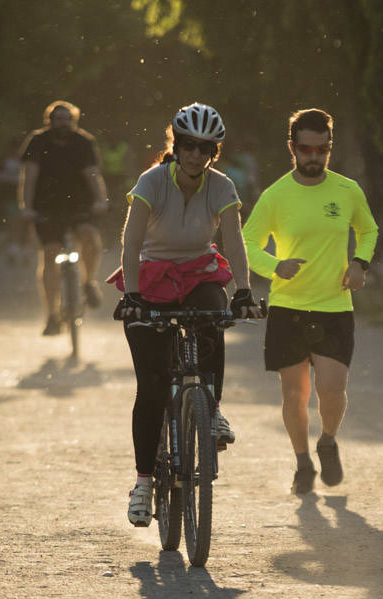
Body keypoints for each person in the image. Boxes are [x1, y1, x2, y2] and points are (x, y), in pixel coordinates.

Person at [109, 102, 262, 527]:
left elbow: (233, 240)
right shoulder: (152, 181)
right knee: (152, 387)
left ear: (215, 152)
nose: (196, 154)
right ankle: (143, 483)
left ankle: (210, 410)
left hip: (198, 273)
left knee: (216, 316)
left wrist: (244, 291)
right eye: (189, 145)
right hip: (152, 279)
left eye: (206, 148)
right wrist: (134, 295)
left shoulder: (221, 186)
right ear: (175, 145)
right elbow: (130, 242)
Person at [242, 108, 379, 494]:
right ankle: (303, 462)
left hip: (335, 304)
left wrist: (359, 262)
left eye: (322, 149)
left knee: (332, 390)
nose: (314, 157)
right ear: (292, 148)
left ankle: (328, 440)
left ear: (329, 148)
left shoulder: (347, 190)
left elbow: (368, 229)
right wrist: (274, 266)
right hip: (288, 307)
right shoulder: (275, 195)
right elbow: (248, 242)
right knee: (294, 393)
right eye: (306, 148)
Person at [19, 100, 110, 335]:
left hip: (79, 204)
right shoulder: (37, 141)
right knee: (50, 255)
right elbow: (29, 176)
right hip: (46, 207)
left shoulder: (84, 142)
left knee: (90, 237)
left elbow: (92, 174)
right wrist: (26, 207)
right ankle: (52, 315)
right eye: (57, 119)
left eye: (67, 119)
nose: (62, 123)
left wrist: (101, 200)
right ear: (49, 120)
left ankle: (88, 282)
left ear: (74, 121)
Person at [0, 135, 28, 266]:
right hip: (11, 196)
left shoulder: (26, 162)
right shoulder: (5, 162)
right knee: (13, 223)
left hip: (25, 197)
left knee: (25, 224)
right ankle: (14, 250)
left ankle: (24, 250)